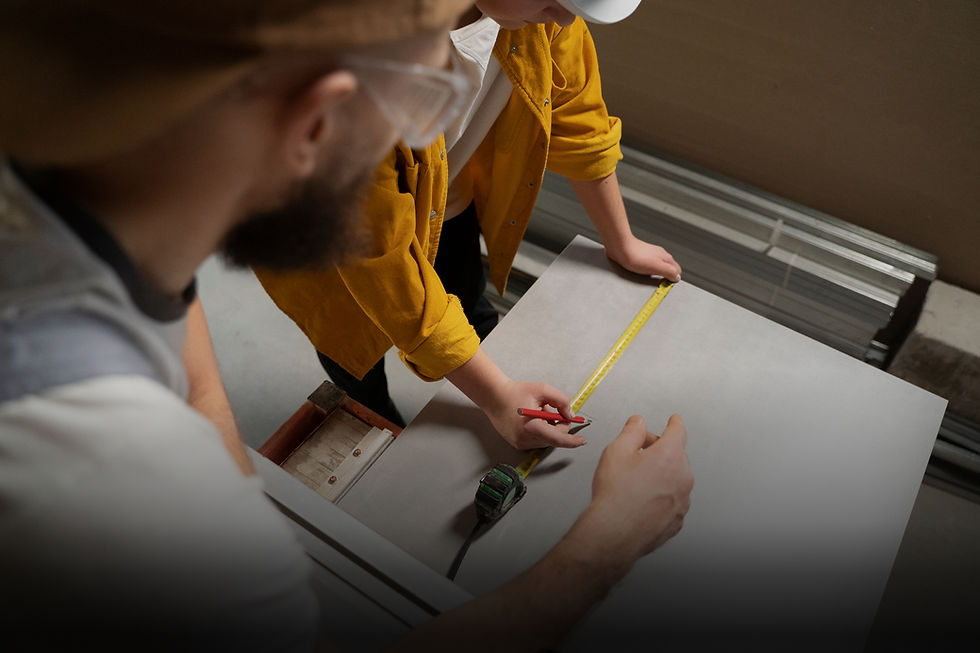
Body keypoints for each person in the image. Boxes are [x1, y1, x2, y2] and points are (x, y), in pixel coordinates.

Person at [0, 1, 693, 650]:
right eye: (425, 102)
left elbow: (187, 346)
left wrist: (241, 533)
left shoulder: (86, 202)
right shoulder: (103, 466)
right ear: (317, 123)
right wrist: (609, 541)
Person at [254, 0, 684, 452]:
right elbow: (377, 261)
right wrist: (497, 398)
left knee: (464, 291)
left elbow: (579, 120)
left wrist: (622, 241)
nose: (563, 18)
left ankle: (483, 372)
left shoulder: (537, 14)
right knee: (354, 343)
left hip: (444, 200)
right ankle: (373, 414)